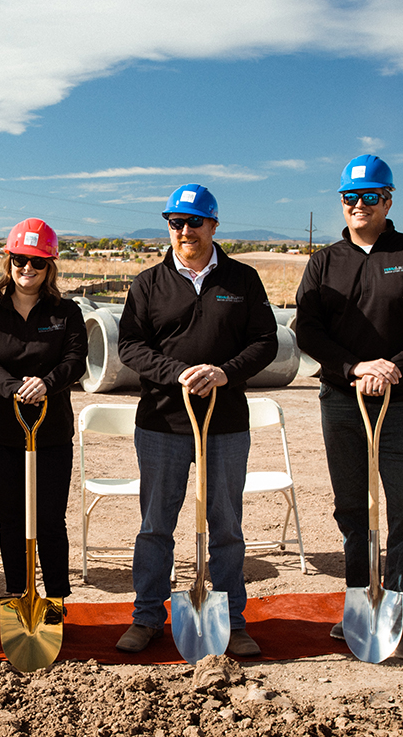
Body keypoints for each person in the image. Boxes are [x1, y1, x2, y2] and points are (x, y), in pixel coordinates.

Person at [294, 154, 403, 660]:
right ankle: (360, 604)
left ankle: (402, 617)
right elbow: (308, 328)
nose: (358, 206)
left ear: (387, 200)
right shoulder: (325, 262)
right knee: (353, 509)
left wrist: (392, 367)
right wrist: (354, 369)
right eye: (349, 198)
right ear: (341, 202)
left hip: (402, 403)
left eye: (368, 197)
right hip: (342, 402)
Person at [115, 183, 278, 657]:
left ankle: (232, 620)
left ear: (213, 225)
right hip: (162, 424)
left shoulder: (243, 280)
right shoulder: (147, 283)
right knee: (154, 526)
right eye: (175, 223)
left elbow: (265, 341)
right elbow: (130, 345)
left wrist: (224, 373)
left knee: (225, 526)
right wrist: (177, 373)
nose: (184, 231)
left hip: (225, 425)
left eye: (193, 222)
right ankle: (147, 617)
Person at [0, 219, 87, 601]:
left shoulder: (66, 313)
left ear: (49, 266)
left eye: (37, 262)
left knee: (50, 521)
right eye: (20, 259)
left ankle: (55, 601)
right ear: (9, 262)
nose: (27, 269)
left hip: (50, 433)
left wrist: (47, 384)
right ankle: (18, 596)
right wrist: (14, 388)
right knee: (12, 521)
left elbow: (75, 360)